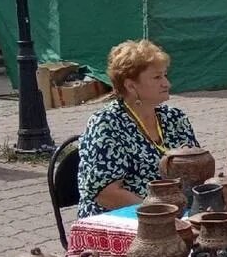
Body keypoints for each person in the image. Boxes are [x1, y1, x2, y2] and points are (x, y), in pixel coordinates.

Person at [77, 39, 200, 217]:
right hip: (122, 217)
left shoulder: (174, 118)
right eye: (157, 77)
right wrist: (160, 213)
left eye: (165, 75)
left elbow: (196, 167)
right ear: (130, 85)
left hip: (175, 211)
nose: (166, 83)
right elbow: (107, 195)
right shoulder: (106, 124)